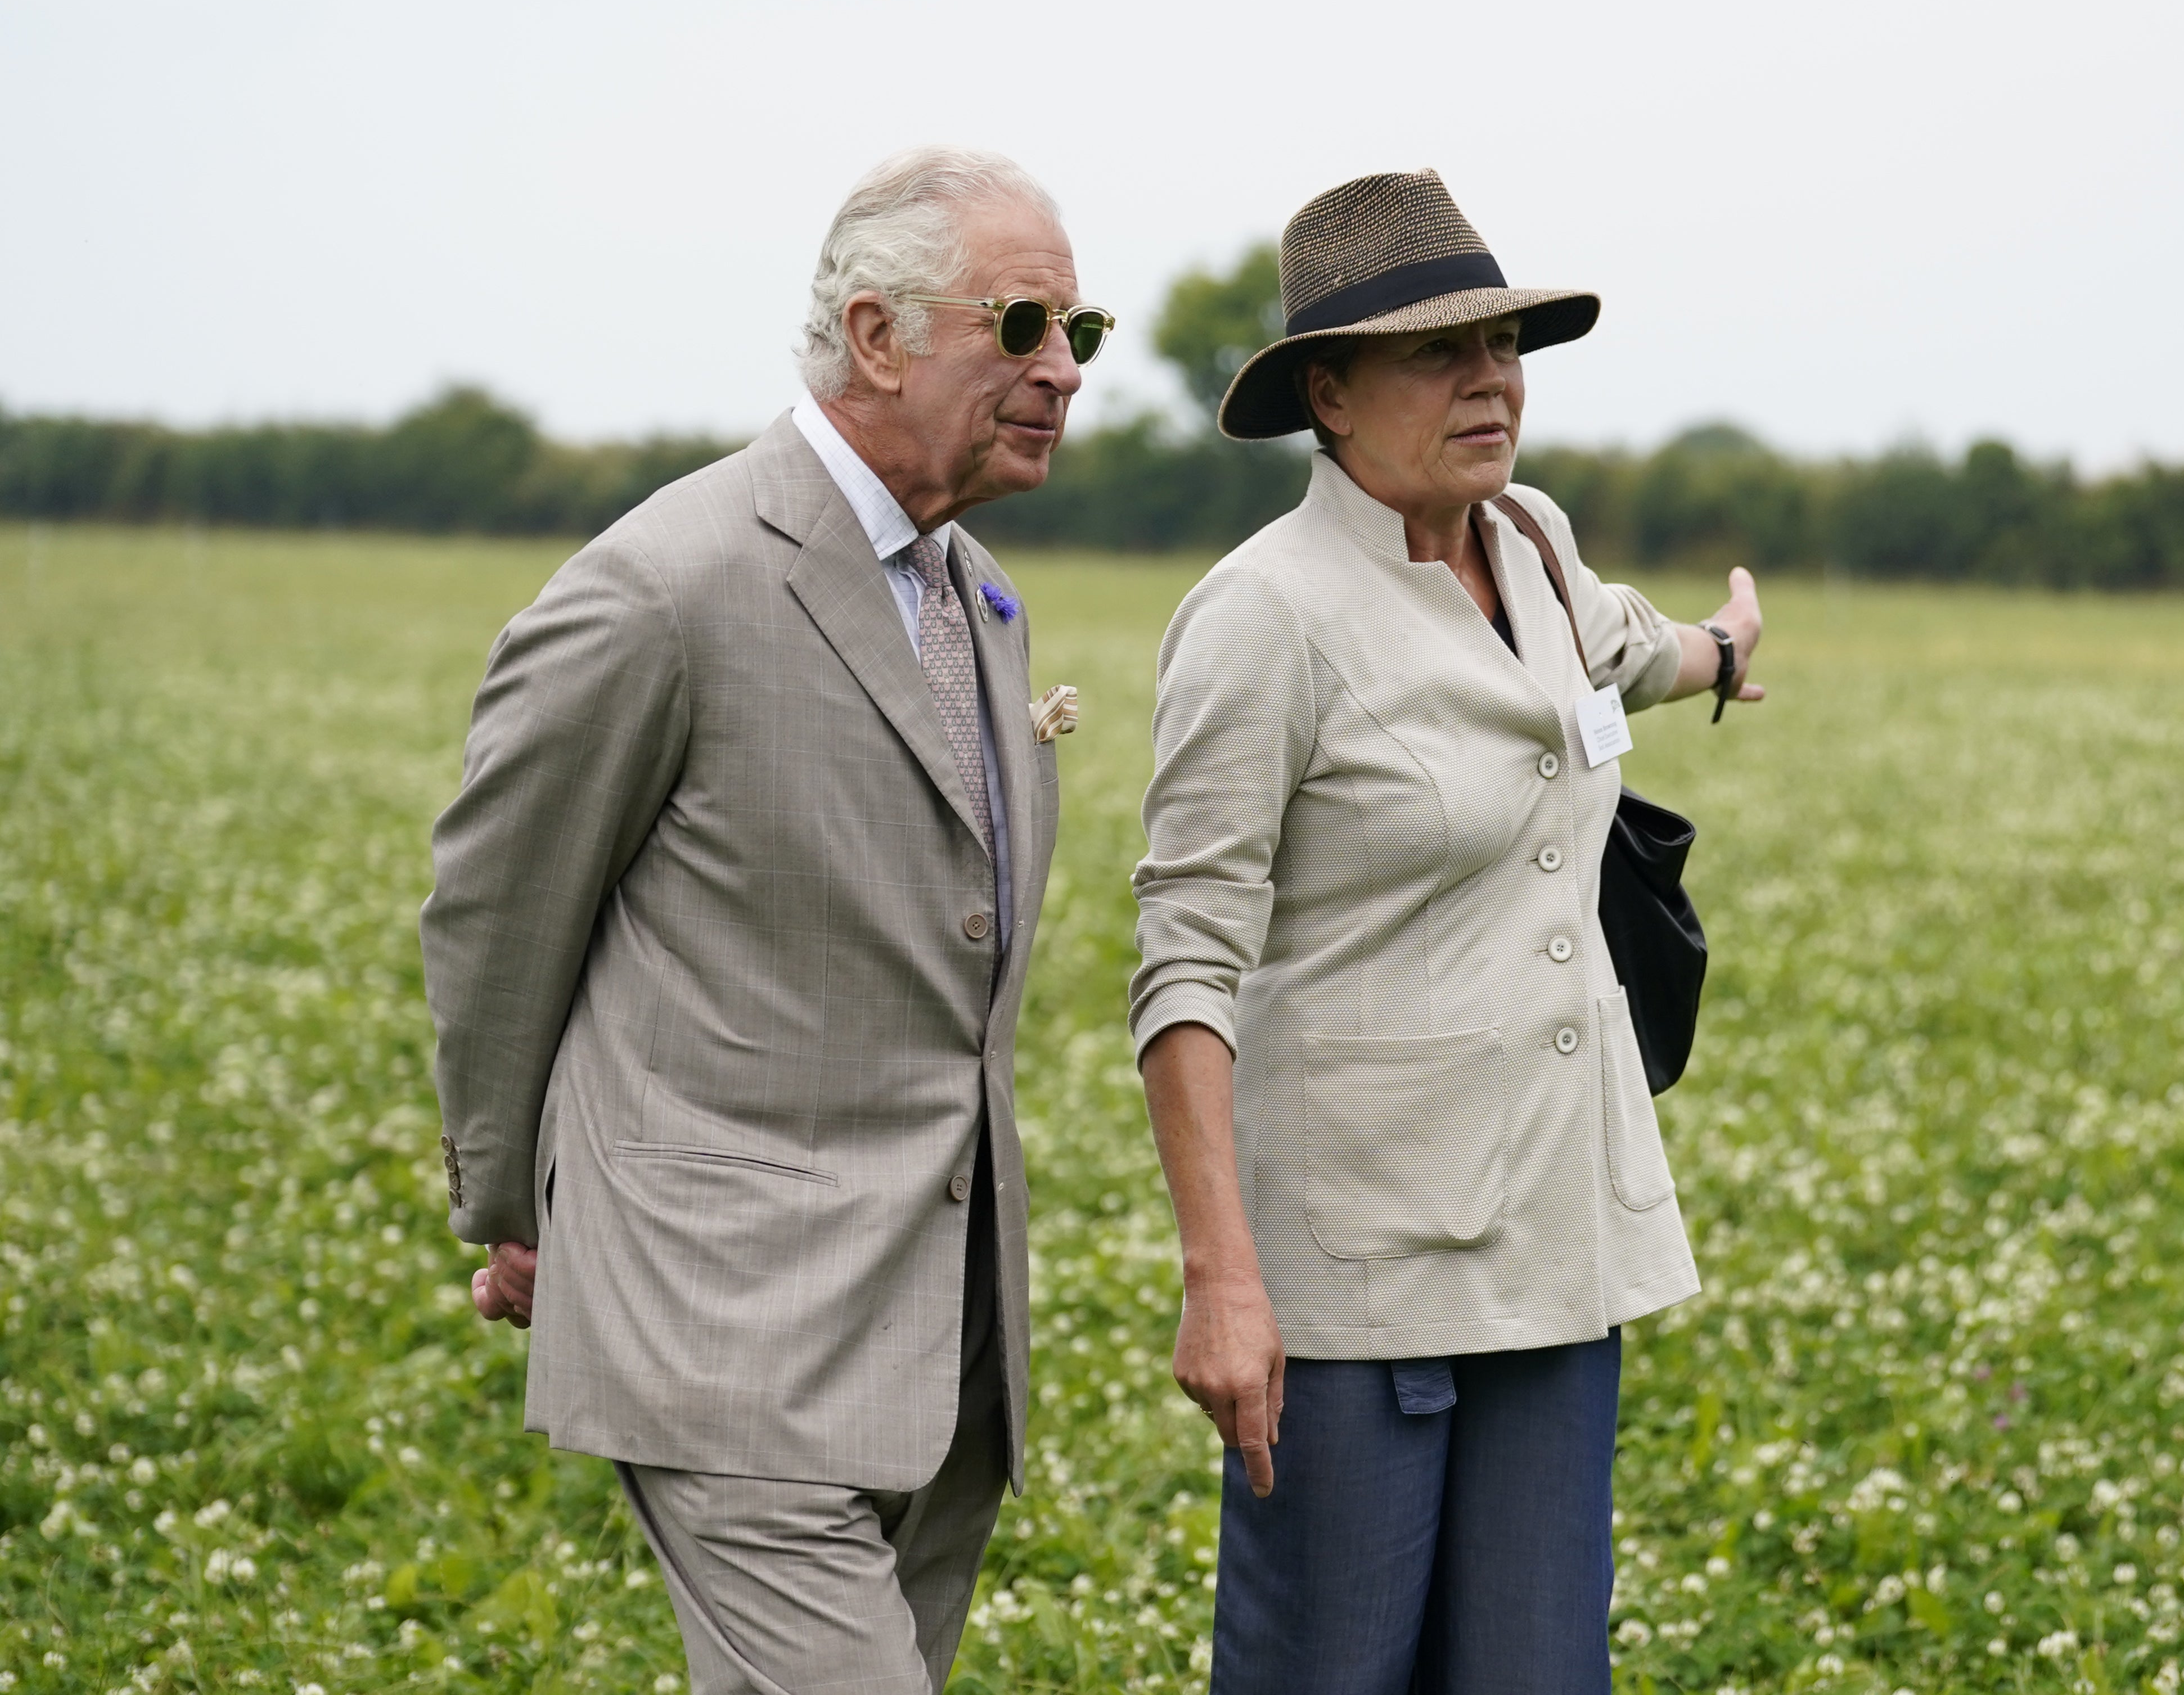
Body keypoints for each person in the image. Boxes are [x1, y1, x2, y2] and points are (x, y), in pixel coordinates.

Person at [421, 146, 1105, 1694]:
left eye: (1080, 335)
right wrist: (517, 1205)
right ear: (874, 336)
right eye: (1021, 329)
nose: (1062, 372)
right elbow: (495, 914)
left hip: (941, 1343)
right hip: (719, 1330)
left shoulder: (978, 595)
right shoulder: (665, 586)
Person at [1129, 169, 1766, 1692]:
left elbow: (1621, 655)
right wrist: (1222, 1277)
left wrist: (1724, 650)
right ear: (1328, 395)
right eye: (1438, 353)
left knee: (1536, 1668)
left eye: (1505, 347)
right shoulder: (1262, 617)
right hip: (1357, 1271)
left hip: (1556, 1231)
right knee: (1328, 1670)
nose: (1488, 379)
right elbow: (1184, 965)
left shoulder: (1530, 543)